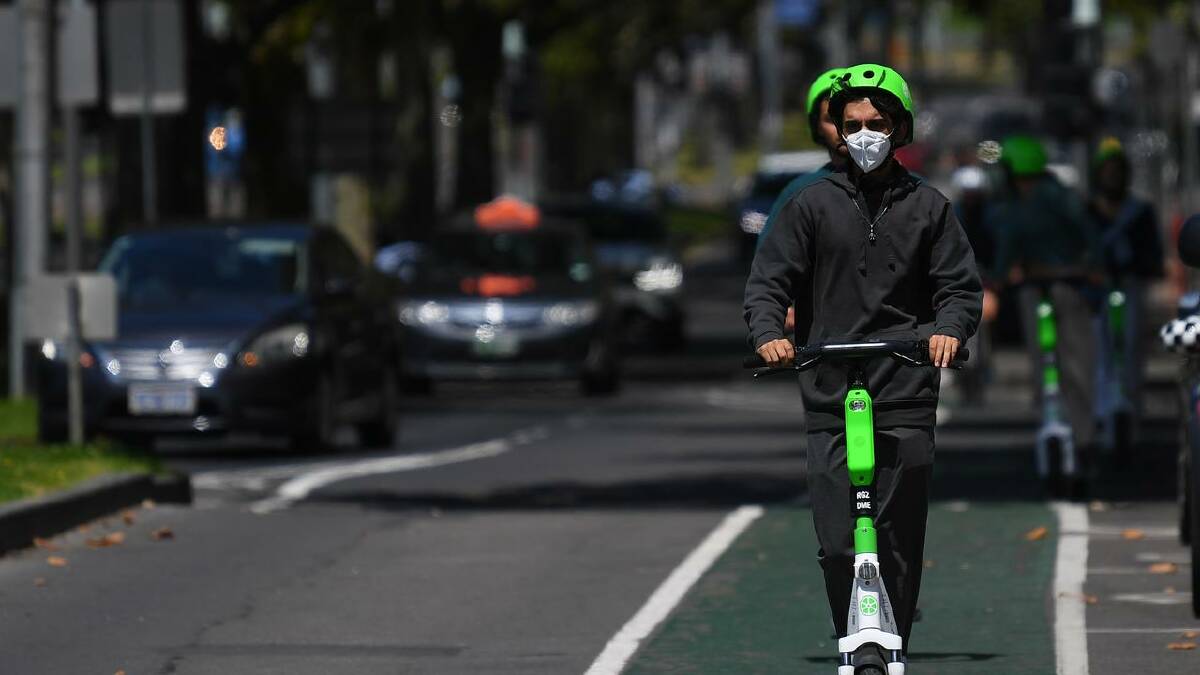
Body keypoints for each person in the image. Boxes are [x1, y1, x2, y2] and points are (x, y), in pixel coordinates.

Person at [744, 64, 982, 657]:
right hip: (829, 386)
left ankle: (891, 639)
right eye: (852, 124)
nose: (864, 135)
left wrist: (948, 331)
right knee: (838, 539)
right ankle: (853, 635)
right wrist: (770, 333)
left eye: (877, 123)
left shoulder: (930, 207)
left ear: (899, 128)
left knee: (899, 531)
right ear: (838, 131)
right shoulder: (808, 205)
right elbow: (769, 283)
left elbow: (959, 288)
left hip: (905, 385)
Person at [988, 134, 1104, 470]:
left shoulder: (1023, 204)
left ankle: (1061, 424)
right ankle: (1082, 436)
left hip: (1044, 286)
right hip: (1069, 284)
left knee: (1050, 361)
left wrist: (997, 279)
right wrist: (1094, 267)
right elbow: (1090, 234)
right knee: (1075, 363)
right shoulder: (1063, 195)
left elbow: (1009, 244)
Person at [757, 67, 848, 335]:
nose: (845, 130)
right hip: (825, 344)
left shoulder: (914, 192)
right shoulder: (800, 194)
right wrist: (781, 311)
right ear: (816, 127)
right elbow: (772, 268)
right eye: (833, 119)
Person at [1087, 137, 1165, 434]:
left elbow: (1153, 253)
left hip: (1131, 285)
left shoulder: (1140, 212)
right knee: (1099, 349)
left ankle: (1130, 411)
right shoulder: (1089, 211)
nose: (1112, 177)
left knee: (1130, 346)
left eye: (1117, 171)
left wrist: (1149, 267)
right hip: (1098, 291)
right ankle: (1101, 410)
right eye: (1106, 171)